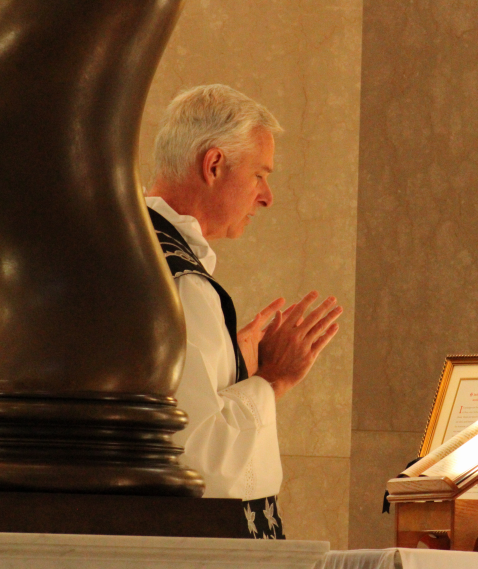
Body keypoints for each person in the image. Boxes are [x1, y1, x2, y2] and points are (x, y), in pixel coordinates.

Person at [144, 84, 342, 538]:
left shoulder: (137, 251)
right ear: (214, 165)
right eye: (259, 175)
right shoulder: (180, 282)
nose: (268, 196)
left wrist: (233, 368)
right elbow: (202, 459)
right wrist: (273, 378)